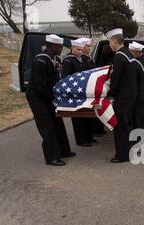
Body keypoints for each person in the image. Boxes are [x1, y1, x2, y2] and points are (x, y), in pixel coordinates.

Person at [25, 34, 75, 166]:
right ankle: (52, 157)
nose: (61, 49)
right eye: (59, 47)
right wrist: (52, 99)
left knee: (57, 123)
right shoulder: (40, 61)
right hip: (38, 96)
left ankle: (64, 151)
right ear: (52, 46)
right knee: (47, 125)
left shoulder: (52, 58)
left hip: (47, 94)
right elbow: (40, 85)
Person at [106, 28, 137, 163]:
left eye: (110, 42)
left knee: (120, 127)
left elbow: (116, 79)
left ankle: (122, 155)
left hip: (123, 97)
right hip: (130, 95)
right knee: (127, 124)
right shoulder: (129, 54)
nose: (109, 45)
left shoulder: (119, 57)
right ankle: (129, 151)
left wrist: (110, 93)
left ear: (114, 41)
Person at [62, 38, 94, 147]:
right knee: (78, 117)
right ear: (72, 48)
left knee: (86, 115)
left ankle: (88, 137)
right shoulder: (68, 60)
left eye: (81, 49)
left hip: (83, 91)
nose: (80, 51)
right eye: (78, 49)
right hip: (74, 93)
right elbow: (66, 78)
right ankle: (81, 139)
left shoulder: (80, 59)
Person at [80, 37, 107, 137]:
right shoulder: (83, 59)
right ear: (82, 47)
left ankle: (98, 130)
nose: (89, 48)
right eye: (87, 46)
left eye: (89, 46)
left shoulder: (89, 57)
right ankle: (94, 131)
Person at [129, 41, 144, 134]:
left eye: (131, 52)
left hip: (140, 92)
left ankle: (139, 133)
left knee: (138, 114)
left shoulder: (137, 63)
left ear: (136, 52)